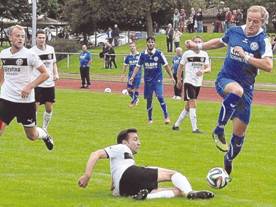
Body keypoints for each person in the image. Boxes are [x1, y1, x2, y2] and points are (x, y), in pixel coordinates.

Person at [185, 5, 273, 175]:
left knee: (239, 137)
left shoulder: (263, 40)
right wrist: (198, 46)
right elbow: (219, 41)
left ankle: (228, 158)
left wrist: (246, 56)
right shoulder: (234, 31)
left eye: (256, 22)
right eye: (249, 20)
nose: (251, 24)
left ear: (262, 22)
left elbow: (268, 65)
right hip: (225, 80)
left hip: (247, 90)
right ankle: (219, 129)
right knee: (236, 91)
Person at [78, 128, 214, 200]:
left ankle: (146, 197)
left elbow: (116, 173)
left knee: (177, 191)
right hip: (129, 175)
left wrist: (114, 186)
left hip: (123, 189)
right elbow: (95, 154)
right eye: (135, 139)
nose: (139, 143)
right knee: (173, 174)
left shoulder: (122, 157)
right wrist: (87, 175)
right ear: (124, 142)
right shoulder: (121, 148)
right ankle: (191, 193)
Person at [0, 25, 54, 150]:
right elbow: (3, 70)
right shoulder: (3, 54)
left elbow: (45, 74)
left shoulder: (30, 55)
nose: (20, 39)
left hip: (25, 102)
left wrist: (30, 86)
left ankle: (45, 135)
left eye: (23, 36)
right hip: (6, 99)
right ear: (10, 37)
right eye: (17, 36)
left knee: (32, 135)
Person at [129, 36, 174, 124]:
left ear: (154, 43)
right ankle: (150, 119)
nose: (151, 43)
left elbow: (166, 66)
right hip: (148, 81)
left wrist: (171, 77)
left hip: (157, 80)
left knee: (160, 97)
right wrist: (132, 76)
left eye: (152, 42)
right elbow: (138, 66)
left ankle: (166, 116)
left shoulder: (159, 53)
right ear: (147, 43)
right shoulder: (142, 55)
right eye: (149, 42)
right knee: (149, 100)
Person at [172, 36, 211, 133]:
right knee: (193, 103)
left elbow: (208, 68)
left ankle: (176, 125)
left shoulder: (204, 54)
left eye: (199, 41)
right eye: (196, 41)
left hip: (198, 82)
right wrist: (178, 80)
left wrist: (203, 71)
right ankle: (195, 128)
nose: (197, 43)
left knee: (188, 105)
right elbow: (180, 67)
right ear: (193, 43)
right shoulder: (187, 54)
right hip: (189, 81)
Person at [30, 30, 59, 131]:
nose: (41, 39)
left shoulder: (51, 49)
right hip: (38, 84)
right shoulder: (32, 52)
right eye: (39, 38)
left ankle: (44, 128)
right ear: (36, 38)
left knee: (49, 108)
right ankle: (34, 128)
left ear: (45, 38)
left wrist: (56, 73)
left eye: (43, 38)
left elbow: (54, 63)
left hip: (49, 83)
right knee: (35, 107)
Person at [121, 42, 141, 107]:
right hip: (130, 75)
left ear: (135, 47)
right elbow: (125, 65)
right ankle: (136, 99)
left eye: (133, 46)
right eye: (131, 46)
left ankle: (133, 102)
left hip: (137, 75)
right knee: (129, 89)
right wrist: (123, 74)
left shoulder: (140, 55)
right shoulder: (128, 57)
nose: (132, 48)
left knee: (135, 89)